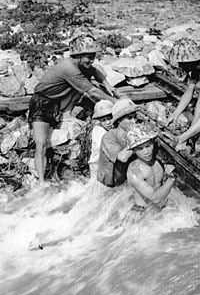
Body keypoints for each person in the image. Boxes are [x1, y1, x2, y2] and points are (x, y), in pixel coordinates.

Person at [29, 34, 119, 183]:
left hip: (58, 101)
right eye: (89, 57)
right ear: (78, 55)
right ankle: (41, 182)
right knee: (41, 144)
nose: (92, 60)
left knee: (84, 80)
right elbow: (93, 91)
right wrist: (115, 102)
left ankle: (67, 114)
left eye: (93, 56)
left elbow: (95, 71)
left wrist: (107, 84)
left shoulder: (82, 65)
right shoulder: (69, 68)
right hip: (42, 103)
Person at [126, 125, 176, 212]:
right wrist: (172, 178)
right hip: (143, 212)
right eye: (140, 149)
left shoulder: (159, 159)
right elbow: (155, 198)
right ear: (134, 150)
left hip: (160, 208)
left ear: (153, 143)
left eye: (148, 146)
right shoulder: (134, 172)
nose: (146, 152)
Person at [97, 98, 139, 187]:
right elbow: (123, 157)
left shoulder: (132, 132)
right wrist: (138, 140)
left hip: (125, 180)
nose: (134, 121)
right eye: (129, 118)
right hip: (108, 185)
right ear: (119, 120)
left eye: (135, 117)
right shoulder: (108, 137)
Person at [88, 100, 113, 179]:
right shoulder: (98, 130)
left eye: (110, 118)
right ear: (99, 121)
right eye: (103, 120)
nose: (108, 122)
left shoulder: (115, 128)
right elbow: (108, 150)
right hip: (98, 166)